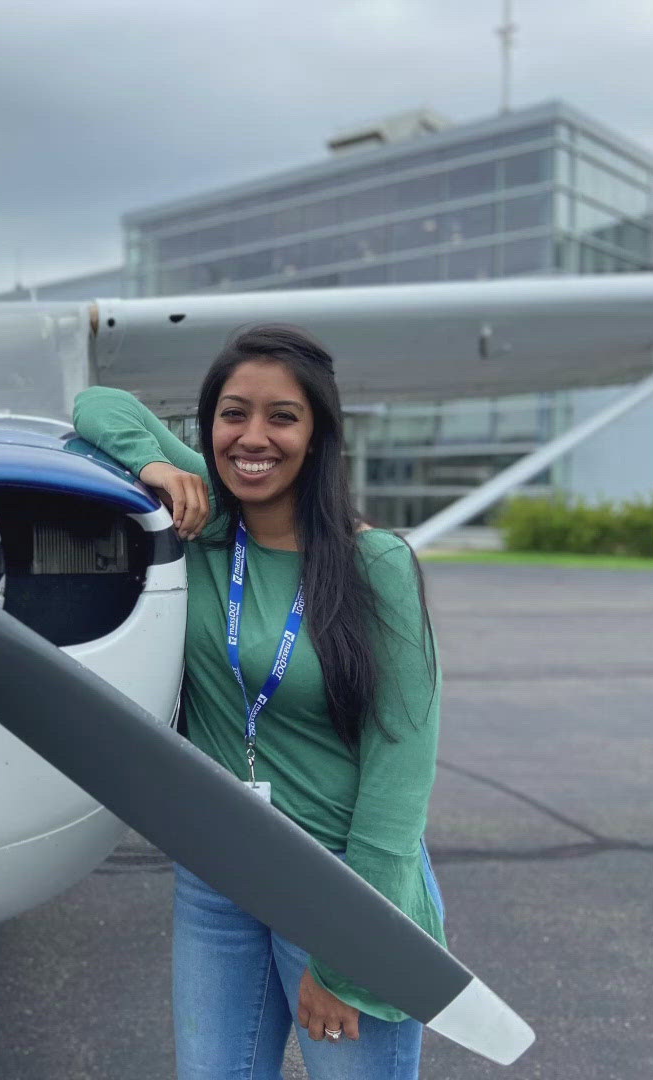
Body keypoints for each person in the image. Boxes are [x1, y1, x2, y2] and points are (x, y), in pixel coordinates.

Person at [72, 325, 445, 1080]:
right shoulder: (208, 523)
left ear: (318, 436)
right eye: (232, 413)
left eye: (283, 416)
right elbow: (96, 404)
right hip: (219, 877)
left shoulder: (379, 566)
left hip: (338, 882)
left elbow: (401, 772)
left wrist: (350, 952)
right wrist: (151, 464)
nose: (253, 437)